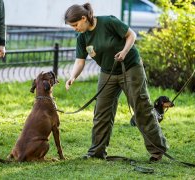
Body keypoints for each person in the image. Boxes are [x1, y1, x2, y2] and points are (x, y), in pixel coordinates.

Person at [64, 3, 168, 162]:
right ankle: (96, 152)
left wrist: (125, 52)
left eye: (75, 24)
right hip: (108, 72)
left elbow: (131, 35)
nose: (75, 28)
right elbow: (80, 62)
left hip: (130, 67)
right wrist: (72, 77)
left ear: (84, 18)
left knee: (141, 107)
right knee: (101, 112)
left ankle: (157, 151)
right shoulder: (82, 38)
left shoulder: (108, 22)